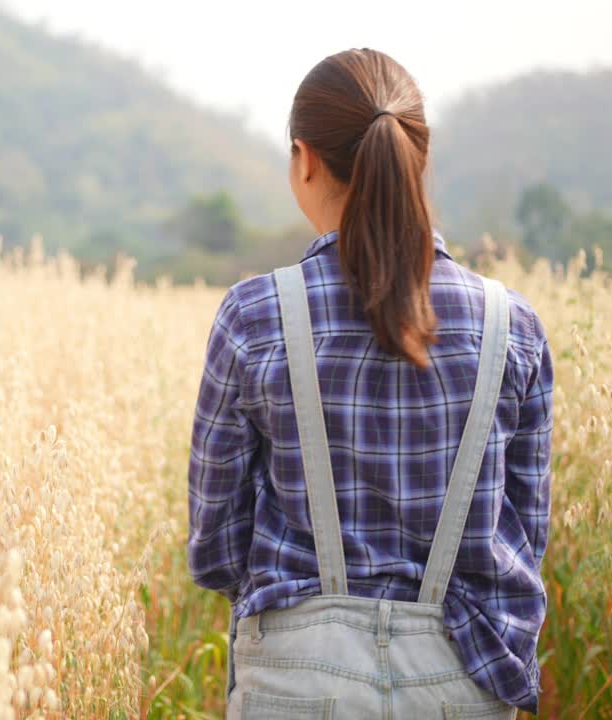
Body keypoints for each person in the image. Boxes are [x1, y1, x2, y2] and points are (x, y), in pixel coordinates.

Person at [187, 48, 553, 719]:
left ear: (304, 158)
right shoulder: (512, 326)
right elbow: (524, 537)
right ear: (418, 156)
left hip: (293, 683)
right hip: (461, 679)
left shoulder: (254, 316)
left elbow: (215, 549)